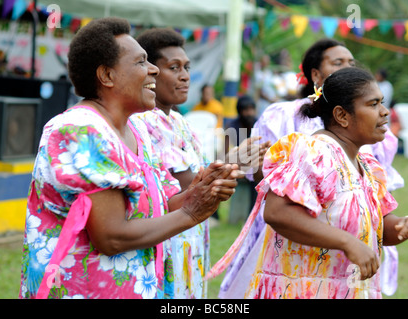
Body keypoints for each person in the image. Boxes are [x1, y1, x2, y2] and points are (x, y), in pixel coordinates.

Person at [19, 17, 240, 299]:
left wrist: (204, 189)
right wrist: (192, 212)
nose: (152, 71)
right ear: (107, 76)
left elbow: (163, 205)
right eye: (141, 62)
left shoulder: (136, 129)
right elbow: (111, 237)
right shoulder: (81, 129)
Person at [209, 67, 408, 299]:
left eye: (382, 103)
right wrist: (347, 242)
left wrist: (404, 226)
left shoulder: (367, 165)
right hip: (302, 290)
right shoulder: (313, 152)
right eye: (373, 104)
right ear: (342, 115)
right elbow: (276, 213)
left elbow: (378, 227)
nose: (384, 112)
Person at [134, 28, 268, 299]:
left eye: (187, 67)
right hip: (167, 240)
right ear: (149, 72)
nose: (185, 76)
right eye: (174, 67)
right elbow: (189, 187)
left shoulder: (181, 122)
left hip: (189, 239)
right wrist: (232, 163)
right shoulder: (144, 120)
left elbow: (200, 174)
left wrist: (235, 163)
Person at [225, 95, 258, 224]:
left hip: (253, 164)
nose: (249, 113)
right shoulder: (231, 126)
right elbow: (226, 151)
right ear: (240, 111)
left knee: (256, 176)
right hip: (236, 164)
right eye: (246, 110)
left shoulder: (257, 123)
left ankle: (252, 216)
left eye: (251, 109)